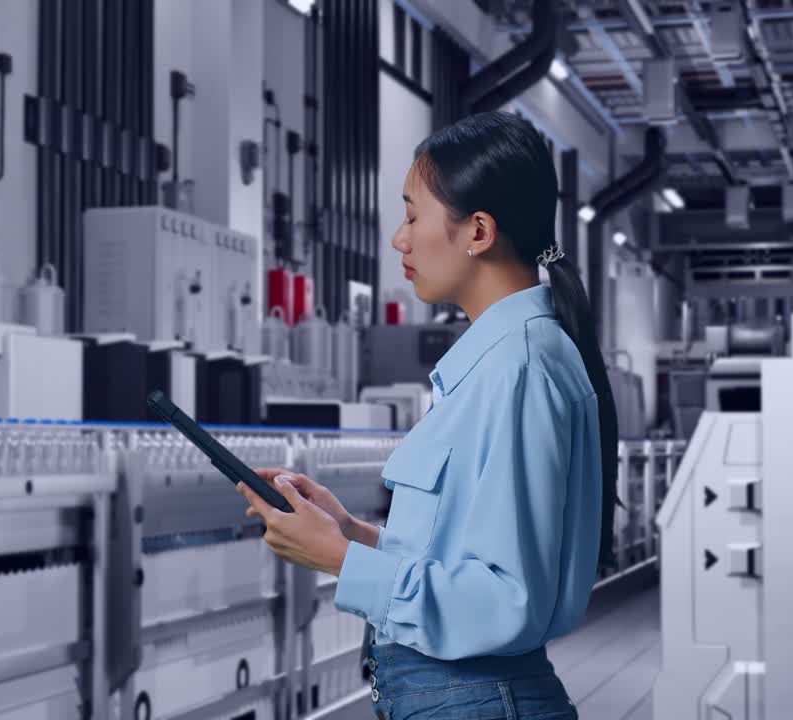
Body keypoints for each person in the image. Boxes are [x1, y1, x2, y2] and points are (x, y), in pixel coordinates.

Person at [237, 110, 619, 720]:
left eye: (413, 214)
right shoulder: (502, 362)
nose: (400, 238)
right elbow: (466, 556)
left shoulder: (517, 368)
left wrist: (340, 562)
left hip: (475, 700)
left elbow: (505, 600)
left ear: (478, 231)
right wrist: (353, 534)